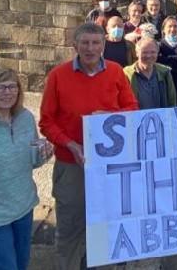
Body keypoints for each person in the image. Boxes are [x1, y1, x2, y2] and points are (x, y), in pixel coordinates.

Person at [39, 23, 139, 270]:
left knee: (105, 223)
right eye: (85, 43)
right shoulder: (58, 76)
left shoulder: (116, 72)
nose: (90, 48)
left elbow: (132, 109)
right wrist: (71, 144)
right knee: (70, 226)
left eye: (96, 43)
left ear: (104, 46)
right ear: (75, 46)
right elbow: (46, 121)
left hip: (108, 166)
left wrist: (110, 116)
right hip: (71, 164)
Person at [0, 70, 54, 270]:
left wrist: (44, 154)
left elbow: (32, 163)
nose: (7, 92)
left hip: (23, 209)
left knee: (21, 265)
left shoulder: (25, 118)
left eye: (12, 86)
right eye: (1, 87)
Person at [123, 38, 177, 109]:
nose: (148, 56)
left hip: (161, 118)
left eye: (153, 52)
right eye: (144, 52)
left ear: (157, 53)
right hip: (135, 118)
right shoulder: (127, 74)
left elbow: (172, 101)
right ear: (137, 53)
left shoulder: (165, 72)